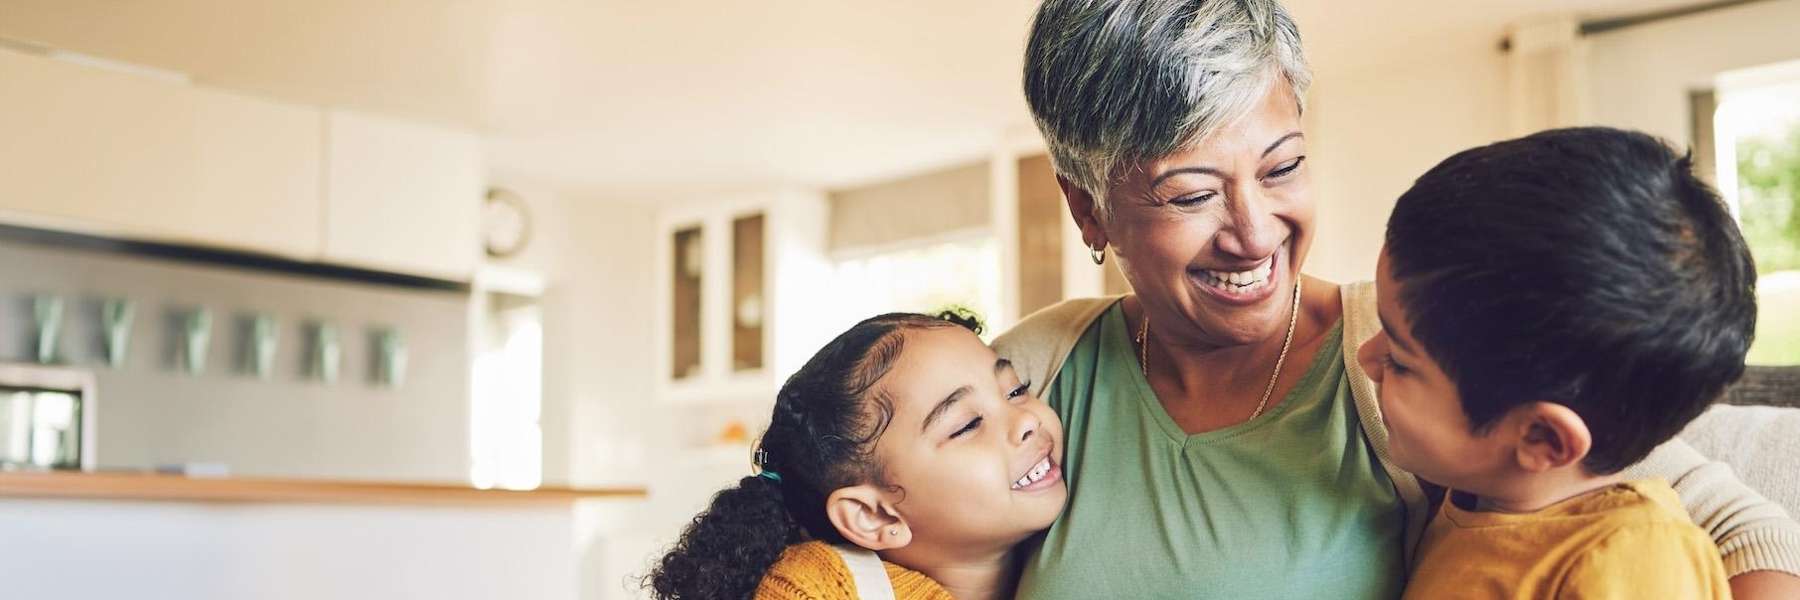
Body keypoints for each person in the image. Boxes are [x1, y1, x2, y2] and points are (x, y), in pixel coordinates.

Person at [994, 0, 1800, 597]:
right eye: (1192, 194)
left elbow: (1744, 530)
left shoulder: (1420, 353)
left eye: (1280, 169)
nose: (1252, 232)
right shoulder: (1026, 380)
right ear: (1089, 209)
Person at [1359, 127, 1746, 599]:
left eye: (1399, 361)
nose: (1365, 357)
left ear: (1542, 438)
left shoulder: (1633, 559)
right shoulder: (1474, 499)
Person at [646, 312, 1066, 600]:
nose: (1025, 419)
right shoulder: (818, 589)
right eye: (967, 425)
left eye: (1015, 390)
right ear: (875, 516)